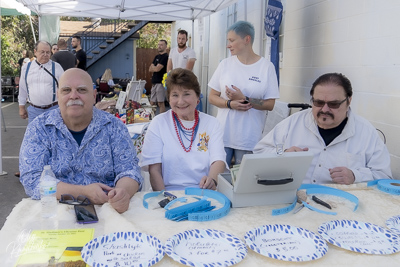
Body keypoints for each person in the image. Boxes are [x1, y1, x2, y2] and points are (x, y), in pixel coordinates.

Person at [19, 68, 143, 213]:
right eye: (66, 90)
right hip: (54, 212)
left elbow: (129, 170)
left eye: (81, 90)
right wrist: (83, 192)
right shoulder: (39, 128)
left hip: (107, 209)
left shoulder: (114, 127)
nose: (73, 96)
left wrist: (122, 193)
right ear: (58, 95)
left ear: (94, 95)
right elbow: (31, 179)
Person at [254, 73, 392, 185]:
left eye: (333, 104)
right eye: (318, 102)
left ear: (349, 100)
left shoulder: (367, 133)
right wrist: (282, 153)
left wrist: (355, 176)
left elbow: (384, 177)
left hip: (342, 207)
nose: (325, 109)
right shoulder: (293, 123)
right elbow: (258, 152)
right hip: (294, 200)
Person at [140, 68, 227, 191]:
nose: (181, 101)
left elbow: (218, 160)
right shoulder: (158, 123)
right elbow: (154, 170)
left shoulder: (212, 123)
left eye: (186, 94)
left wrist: (212, 181)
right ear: (169, 99)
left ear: (197, 97)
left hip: (203, 193)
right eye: (175, 95)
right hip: (168, 193)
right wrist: (165, 199)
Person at [208, 20, 279, 166]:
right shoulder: (225, 64)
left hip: (248, 139)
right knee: (218, 181)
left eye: (232, 40)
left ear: (247, 39)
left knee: (242, 184)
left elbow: (270, 104)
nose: (228, 45)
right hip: (223, 136)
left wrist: (245, 99)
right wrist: (229, 104)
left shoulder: (266, 67)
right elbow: (212, 97)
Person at [18, 41, 64, 124]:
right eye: (42, 52)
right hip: (34, 111)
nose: (45, 55)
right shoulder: (26, 68)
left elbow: (64, 88)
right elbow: (22, 89)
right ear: (35, 52)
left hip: (53, 109)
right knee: (34, 136)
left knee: (53, 136)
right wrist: (21, 107)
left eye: (48, 52)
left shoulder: (57, 67)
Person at [149, 39, 169, 113]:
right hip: (154, 83)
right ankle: (152, 120)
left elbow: (157, 69)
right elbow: (150, 69)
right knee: (152, 103)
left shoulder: (166, 57)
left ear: (166, 46)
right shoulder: (156, 56)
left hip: (160, 83)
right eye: (158, 45)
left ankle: (162, 120)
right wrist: (155, 68)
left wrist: (155, 67)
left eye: (161, 45)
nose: (159, 46)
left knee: (160, 103)